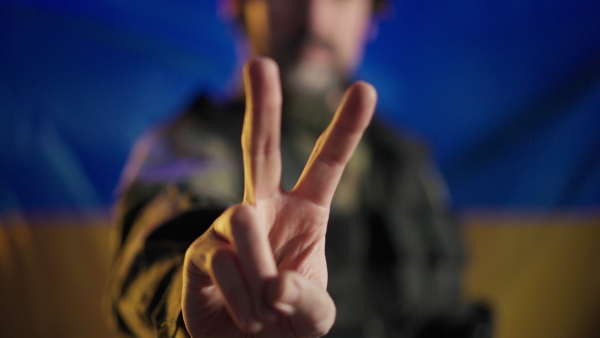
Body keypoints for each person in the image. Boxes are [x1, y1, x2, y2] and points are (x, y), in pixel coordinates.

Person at [106, 0, 489, 337]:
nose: (314, 17)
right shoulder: (192, 146)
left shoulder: (407, 162)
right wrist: (201, 299)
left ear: (371, 15)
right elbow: (158, 250)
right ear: (237, 4)